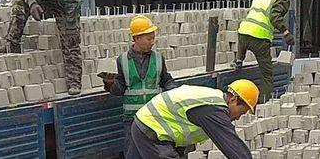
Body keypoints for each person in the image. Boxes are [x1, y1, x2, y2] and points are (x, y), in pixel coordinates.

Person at [101, 15, 177, 156]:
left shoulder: (158, 59)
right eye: (149, 38)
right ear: (136, 38)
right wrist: (110, 83)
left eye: (153, 38)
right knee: (133, 153)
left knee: (156, 153)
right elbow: (120, 90)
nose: (152, 42)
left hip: (154, 116)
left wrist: (174, 92)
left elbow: (166, 80)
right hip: (132, 118)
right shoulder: (122, 60)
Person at [126, 79, 259, 159]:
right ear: (233, 100)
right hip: (152, 131)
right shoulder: (214, 111)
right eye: (242, 112)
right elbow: (232, 146)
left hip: (145, 124)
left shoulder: (213, 99)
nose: (238, 118)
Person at [233, 0, 301, 103]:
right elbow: (274, 17)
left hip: (243, 33)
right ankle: (264, 104)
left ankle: (239, 60)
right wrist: (286, 33)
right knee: (267, 74)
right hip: (259, 38)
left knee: (242, 52)